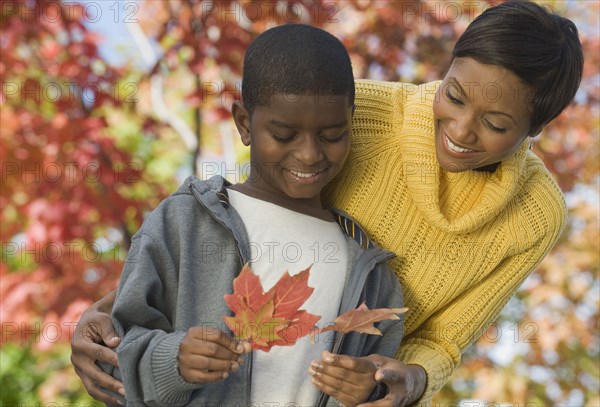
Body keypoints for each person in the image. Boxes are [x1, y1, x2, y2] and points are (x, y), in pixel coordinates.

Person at [71, 1, 584, 406]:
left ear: (536, 129)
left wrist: (409, 381)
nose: (460, 129)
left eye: (496, 125)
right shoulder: (352, 115)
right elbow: (232, 230)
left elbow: (446, 340)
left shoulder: (533, 217)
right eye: (453, 95)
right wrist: (111, 315)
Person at [91, 24, 404, 406]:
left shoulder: (372, 274)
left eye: (332, 134)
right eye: (285, 135)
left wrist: (369, 388)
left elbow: (388, 383)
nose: (309, 154)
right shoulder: (183, 223)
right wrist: (172, 359)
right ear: (244, 123)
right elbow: (111, 359)